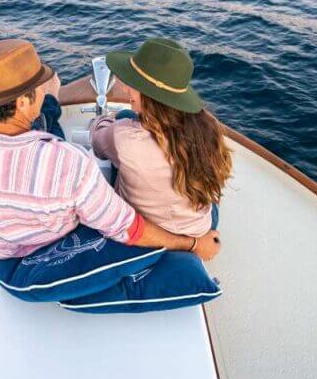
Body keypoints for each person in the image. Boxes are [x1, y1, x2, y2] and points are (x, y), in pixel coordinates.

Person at [0, 38, 221, 266]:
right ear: (23, 102)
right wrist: (194, 244)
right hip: (55, 246)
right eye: (40, 86)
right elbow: (126, 227)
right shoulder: (68, 162)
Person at [90, 38, 230, 237]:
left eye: (132, 84)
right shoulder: (209, 128)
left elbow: (97, 141)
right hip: (200, 227)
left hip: (151, 230)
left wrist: (105, 120)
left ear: (146, 93)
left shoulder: (124, 138)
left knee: (123, 118)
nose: (124, 88)